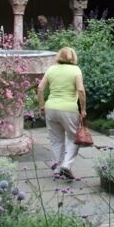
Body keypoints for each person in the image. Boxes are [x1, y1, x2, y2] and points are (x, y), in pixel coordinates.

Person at [36, 46, 87, 180]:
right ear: (73, 57)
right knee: (74, 139)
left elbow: (40, 88)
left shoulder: (51, 69)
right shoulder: (75, 70)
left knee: (56, 140)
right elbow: (81, 90)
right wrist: (83, 109)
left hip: (51, 109)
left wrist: (41, 105)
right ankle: (66, 165)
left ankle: (57, 170)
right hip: (69, 110)